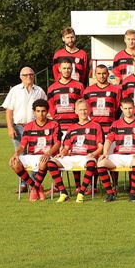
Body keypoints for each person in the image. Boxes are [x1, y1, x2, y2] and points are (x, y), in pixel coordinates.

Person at [8, 99, 66, 202]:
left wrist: (48, 153)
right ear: (34, 112)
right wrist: (16, 154)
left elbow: (58, 144)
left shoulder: (54, 124)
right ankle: (38, 187)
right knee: (14, 163)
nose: (41, 114)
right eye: (38, 111)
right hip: (32, 155)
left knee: (43, 162)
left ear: (47, 111)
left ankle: (34, 189)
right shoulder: (28, 126)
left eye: (43, 111)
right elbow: (22, 145)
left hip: (48, 156)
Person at [48, 99, 103, 203]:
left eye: (85, 109)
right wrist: (62, 153)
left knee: (91, 164)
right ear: (76, 111)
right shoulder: (71, 128)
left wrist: (94, 154)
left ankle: (81, 193)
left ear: (89, 110)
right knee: (51, 163)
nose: (83, 112)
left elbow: (100, 147)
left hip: (87, 157)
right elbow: (66, 147)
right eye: (80, 110)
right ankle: (63, 192)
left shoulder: (96, 126)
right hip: (73, 156)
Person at [97, 98, 135, 202]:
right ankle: (110, 194)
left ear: (134, 108)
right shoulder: (116, 124)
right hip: (118, 156)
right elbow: (108, 140)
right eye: (125, 108)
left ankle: (132, 194)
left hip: (133, 155)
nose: (128, 111)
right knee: (100, 163)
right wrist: (105, 153)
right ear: (121, 109)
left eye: (130, 108)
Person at [2, 66, 47, 193]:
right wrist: (10, 127)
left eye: (31, 74)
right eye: (26, 75)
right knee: (20, 156)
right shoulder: (15, 90)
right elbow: (9, 110)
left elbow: (45, 108)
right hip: (18, 127)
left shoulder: (39, 91)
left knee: (34, 155)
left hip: (35, 128)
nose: (29, 77)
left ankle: (33, 184)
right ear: (21, 77)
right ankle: (23, 184)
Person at [47, 58, 84, 190]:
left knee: (75, 154)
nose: (67, 70)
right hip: (59, 127)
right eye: (64, 68)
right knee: (58, 156)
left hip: (75, 126)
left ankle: (78, 185)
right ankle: (58, 184)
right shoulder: (52, 88)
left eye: (69, 68)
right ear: (59, 69)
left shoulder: (79, 86)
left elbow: (81, 105)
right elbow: (51, 107)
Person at [83, 64, 121, 134]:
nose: (101, 76)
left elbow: (118, 108)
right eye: (99, 73)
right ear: (95, 74)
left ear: (108, 74)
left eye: (104, 73)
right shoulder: (87, 91)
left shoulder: (116, 90)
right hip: (93, 129)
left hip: (110, 129)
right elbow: (87, 109)